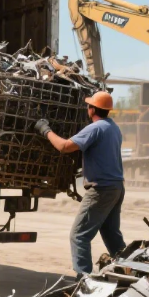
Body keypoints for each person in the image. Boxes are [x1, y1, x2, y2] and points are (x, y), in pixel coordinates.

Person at [34, 91, 125, 276]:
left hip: (101, 190)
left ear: (92, 109)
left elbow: (64, 147)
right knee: (111, 235)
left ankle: (83, 281)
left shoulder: (95, 128)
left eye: (88, 106)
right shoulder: (113, 128)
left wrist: (45, 130)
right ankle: (129, 270)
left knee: (79, 236)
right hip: (116, 187)